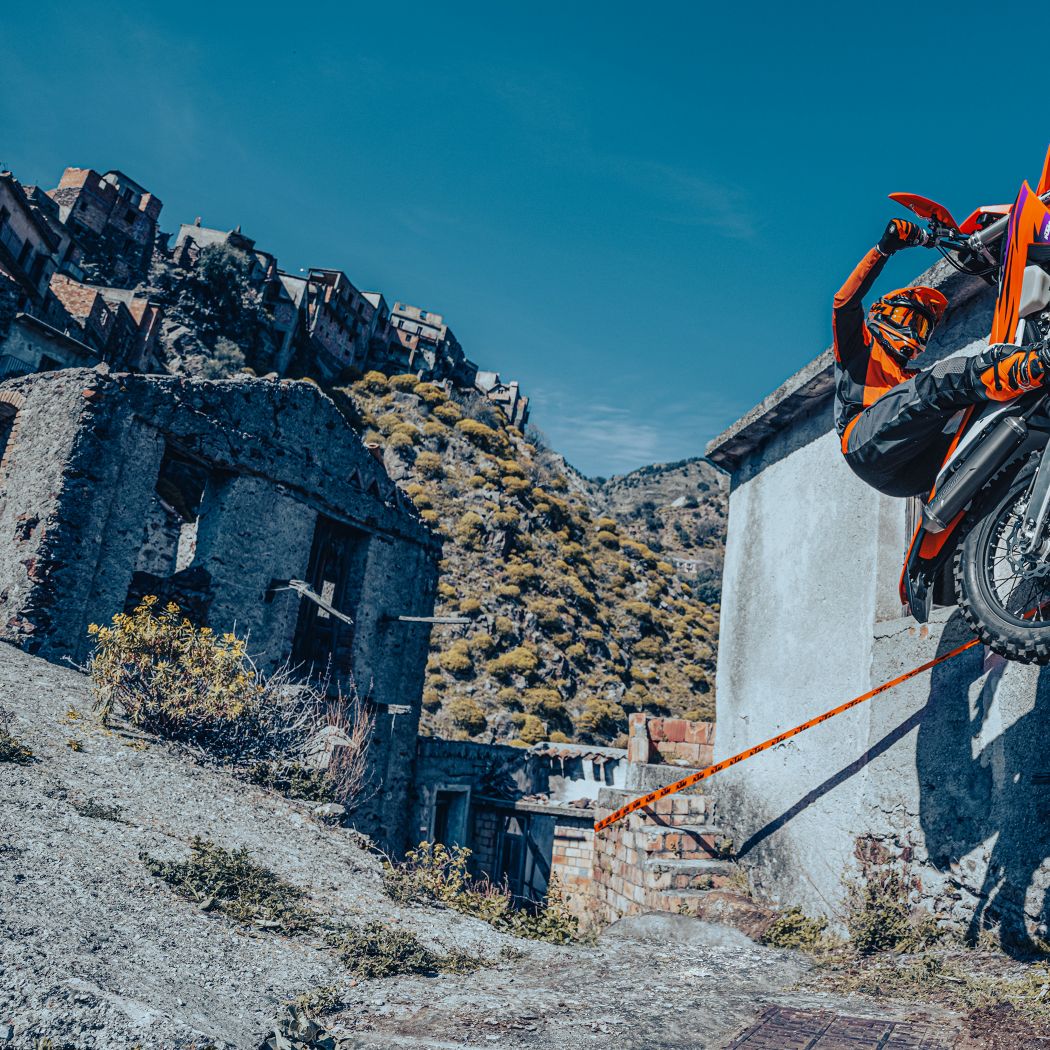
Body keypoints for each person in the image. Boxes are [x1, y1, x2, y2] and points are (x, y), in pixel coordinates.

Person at [835, 218, 1050, 496]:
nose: (916, 334)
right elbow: (844, 303)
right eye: (910, 320)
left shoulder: (908, 380)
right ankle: (1034, 365)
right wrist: (883, 249)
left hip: (912, 472)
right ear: (883, 314)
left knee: (977, 418)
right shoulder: (860, 350)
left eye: (923, 329)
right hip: (864, 445)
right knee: (940, 380)